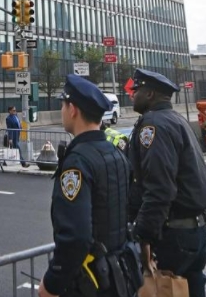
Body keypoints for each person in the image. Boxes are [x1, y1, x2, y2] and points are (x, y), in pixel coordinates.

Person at [39, 75, 140, 297]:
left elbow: (76, 237)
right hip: (119, 275)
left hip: (90, 282)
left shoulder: (77, 162)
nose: (62, 111)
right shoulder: (116, 153)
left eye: (63, 105)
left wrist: (52, 283)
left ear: (73, 109)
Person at [128, 68, 206, 297]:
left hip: (172, 236)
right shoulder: (177, 120)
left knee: (164, 288)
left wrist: (144, 237)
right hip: (195, 231)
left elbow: (159, 189)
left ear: (149, 95)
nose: (131, 95)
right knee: (193, 286)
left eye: (136, 90)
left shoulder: (153, 126)